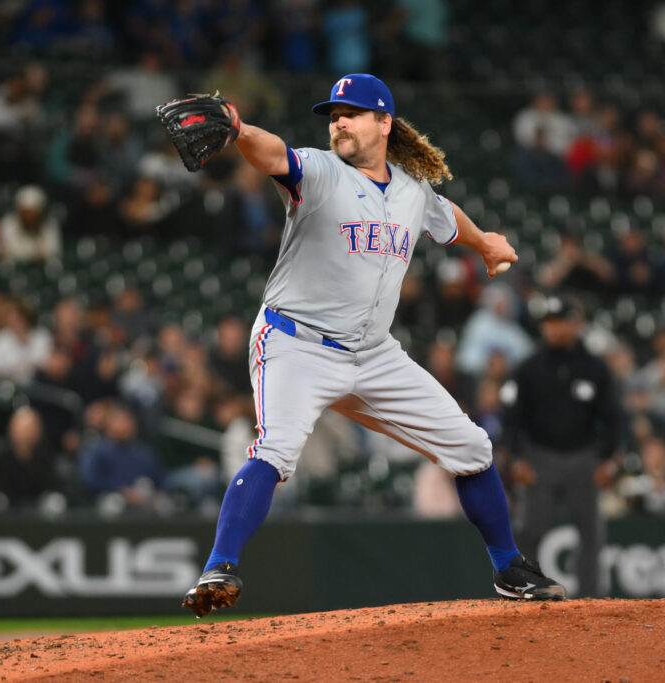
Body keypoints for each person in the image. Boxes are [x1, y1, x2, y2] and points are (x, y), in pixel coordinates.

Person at [174, 74, 565, 618]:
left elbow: (444, 215)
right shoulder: (322, 171)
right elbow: (273, 155)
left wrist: (484, 243)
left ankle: (507, 567)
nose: (338, 121)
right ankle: (220, 565)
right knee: (276, 451)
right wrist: (238, 128)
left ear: (384, 122)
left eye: (352, 112)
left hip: (375, 355)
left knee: (472, 448)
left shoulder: (410, 189)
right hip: (296, 345)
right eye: (333, 113)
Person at [502, 295, 622, 598]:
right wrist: (517, 458)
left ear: (575, 324)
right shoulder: (530, 367)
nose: (552, 329)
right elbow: (513, 418)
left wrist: (610, 459)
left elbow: (614, 416)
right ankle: (524, 589)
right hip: (541, 456)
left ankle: (591, 599)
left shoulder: (595, 367)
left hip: (583, 457)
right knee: (530, 529)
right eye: (548, 323)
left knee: (591, 532)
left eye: (559, 321)